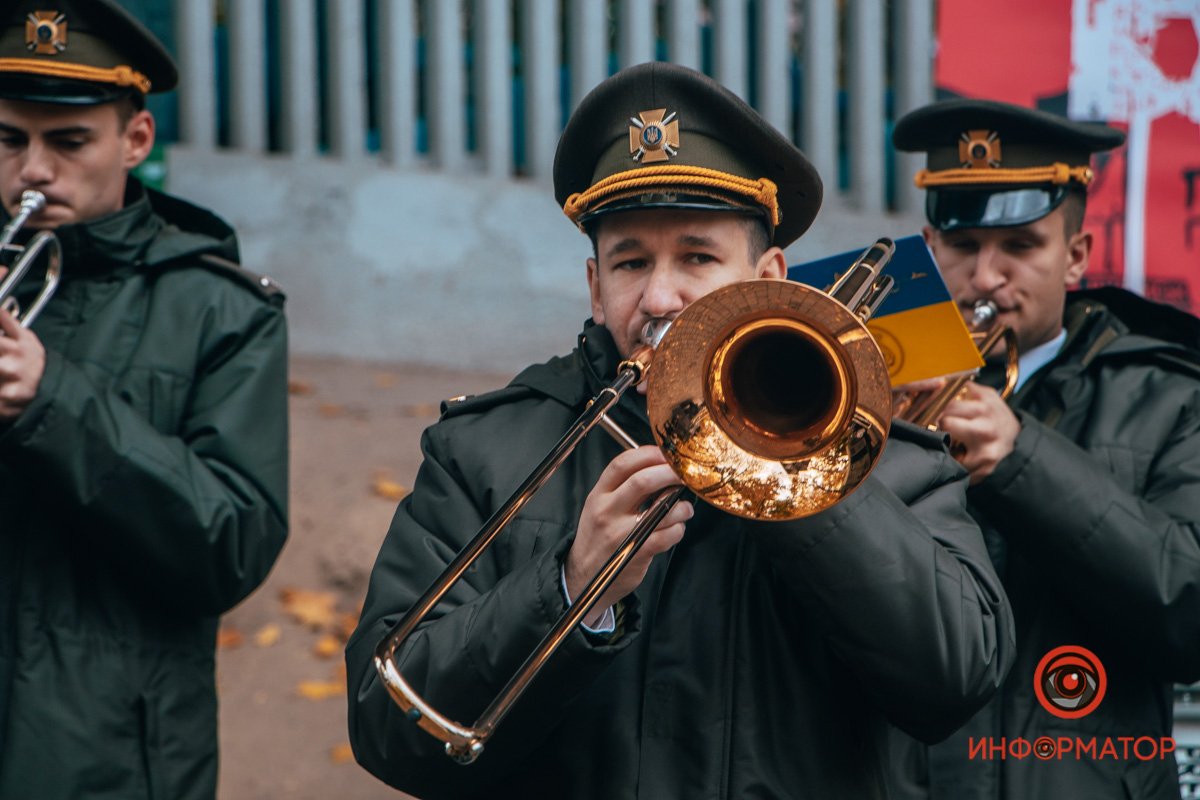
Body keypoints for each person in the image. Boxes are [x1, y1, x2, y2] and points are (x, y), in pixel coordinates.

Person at [346, 62, 1014, 800]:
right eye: (631, 262)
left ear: (769, 276)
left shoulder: (888, 456)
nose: (661, 297)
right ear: (596, 287)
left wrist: (794, 473)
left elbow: (957, 682)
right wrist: (569, 588)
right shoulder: (482, 448)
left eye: (698, 256)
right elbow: (389, 729)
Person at [0, 3, 288, 799]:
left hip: (110, 755)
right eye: (9, 140)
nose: (33, 171)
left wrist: (51, 401)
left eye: (69, 142)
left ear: (135, 140)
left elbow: (233, 546)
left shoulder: (222, 310)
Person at [888, 98, 1200, 799]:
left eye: (1021, 246)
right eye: (962, 246)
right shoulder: (866, 391)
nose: (986, 276)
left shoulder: (1171, 394)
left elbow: (1190, 615)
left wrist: (1020, 461)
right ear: (929, 248)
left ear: (1075, 256)